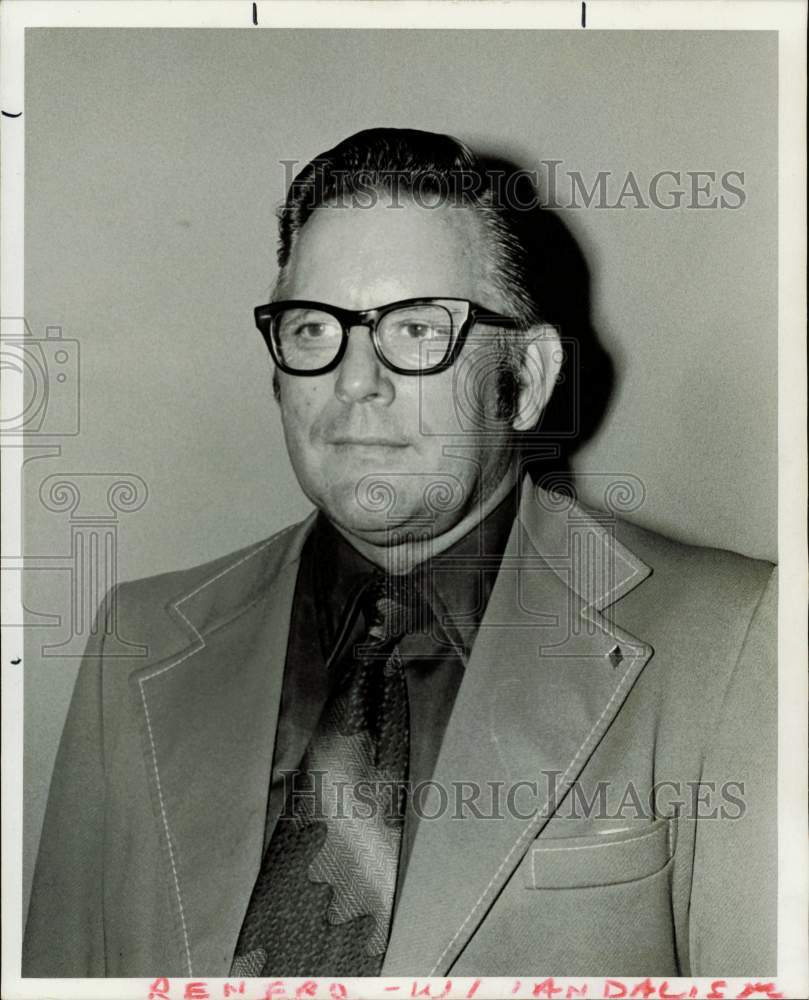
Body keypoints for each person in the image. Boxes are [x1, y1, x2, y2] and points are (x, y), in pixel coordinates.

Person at [23, 128, 776, 979]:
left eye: (417, 330)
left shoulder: (735, 642)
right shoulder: (139, 640)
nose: (353, 381)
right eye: (314, 328)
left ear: (525, 380)